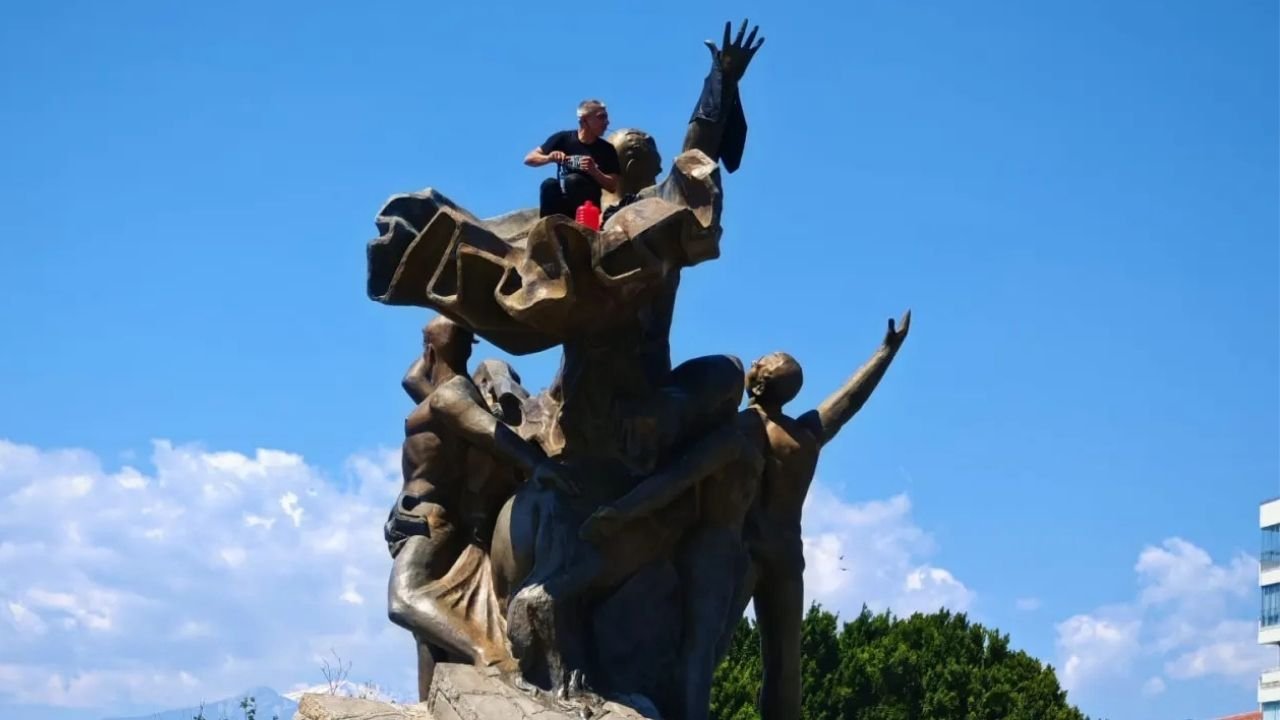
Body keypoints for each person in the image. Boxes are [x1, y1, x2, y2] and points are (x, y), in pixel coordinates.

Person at [524, 99, 621, 218]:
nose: (607, 122)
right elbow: (529, 159)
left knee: (573, 180)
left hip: (588, 207)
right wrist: (549, 158)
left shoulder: (607, 149)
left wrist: (594, 171)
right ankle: (549, 224)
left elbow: (612, 186)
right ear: (584, 120)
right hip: (562, 203)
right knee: (549, 184)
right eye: (601, 117)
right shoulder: (564, 138)